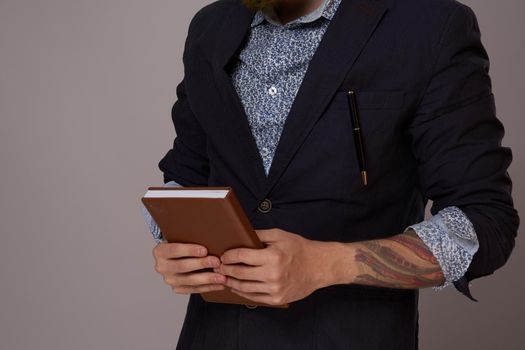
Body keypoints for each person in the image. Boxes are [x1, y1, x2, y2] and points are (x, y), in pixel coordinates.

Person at [142, 0, 520, 348]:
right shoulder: (210, 26)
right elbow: (185, 175)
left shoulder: (429, 25)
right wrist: (176, 244)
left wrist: (326, 264)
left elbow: (484, 219)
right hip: (213, 336)